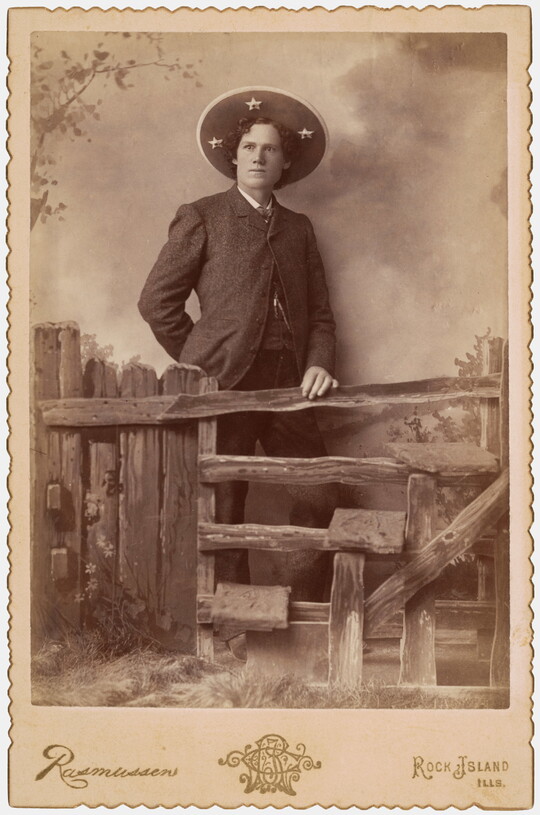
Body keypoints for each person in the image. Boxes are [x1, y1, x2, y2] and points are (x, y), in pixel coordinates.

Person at [138, 88, 339, 638]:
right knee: (226, 504)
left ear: (285, 161)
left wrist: (318, 362)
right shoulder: (202, 216)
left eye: (270, 149)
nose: (258, 157)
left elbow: (320, 313)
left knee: (320, 492)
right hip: (224, 385)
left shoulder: (298, 228)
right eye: (249, 147)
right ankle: (230, 633)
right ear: (234, 156)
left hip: (290, 383)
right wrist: (200, 361)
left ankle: (303, 619)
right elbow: (157, 303)